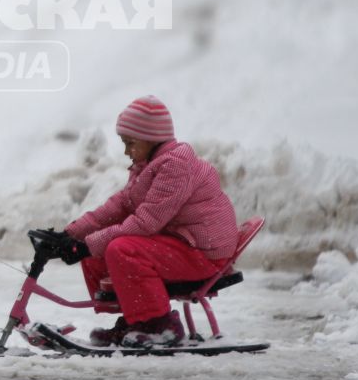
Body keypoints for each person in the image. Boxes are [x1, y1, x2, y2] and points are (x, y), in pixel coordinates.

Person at [61, 96, 238, 348]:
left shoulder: (174, 166)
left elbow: (146, 222)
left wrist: (87, 244)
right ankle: (138, 321)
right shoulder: (149, 165)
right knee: (97, 253)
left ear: (151, 139)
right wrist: (71, 234)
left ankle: (161, 326)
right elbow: (120, 206)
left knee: (121, 249)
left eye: (130, 143)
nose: (126, 151)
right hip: (182, 244)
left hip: (203, 253)